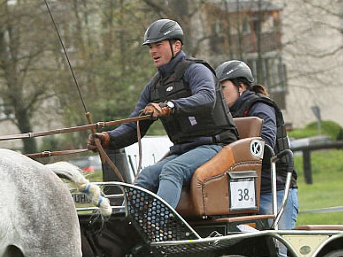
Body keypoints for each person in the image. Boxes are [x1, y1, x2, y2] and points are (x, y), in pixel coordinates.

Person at [87, 18, 238, 213]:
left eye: (158, 45)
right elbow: (135, 126)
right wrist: (108, 138)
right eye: (150, 47)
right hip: (183, 151)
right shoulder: (155, 86)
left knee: (172, 170)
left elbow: (206, 98)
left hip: (215, 145)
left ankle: (155, 227)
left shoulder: (196, 70)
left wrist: (169, 106)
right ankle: (128, 228)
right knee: (146, 175)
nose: (153, 51)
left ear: (176, 45)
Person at [215, 59, 298, 232]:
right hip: (243, 192)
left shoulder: (260, 106)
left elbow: (265, 143)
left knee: (281, 252)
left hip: (273, 189)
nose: (219, 94)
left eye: (223, 88)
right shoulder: (224, 114)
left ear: (241, 86)